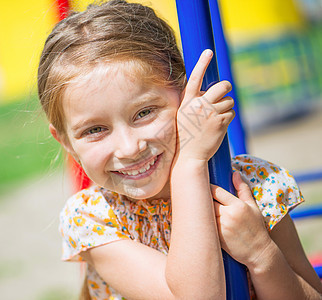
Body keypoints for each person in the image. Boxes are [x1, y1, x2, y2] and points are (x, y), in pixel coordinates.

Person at [37, 1, 322, 299]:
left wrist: (262, 255)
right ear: (66, 141)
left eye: (144, 112)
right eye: (95, 130)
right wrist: (190, 162)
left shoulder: (252, 185)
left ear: (187, 96)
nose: (129, 148)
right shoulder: (92, 218)